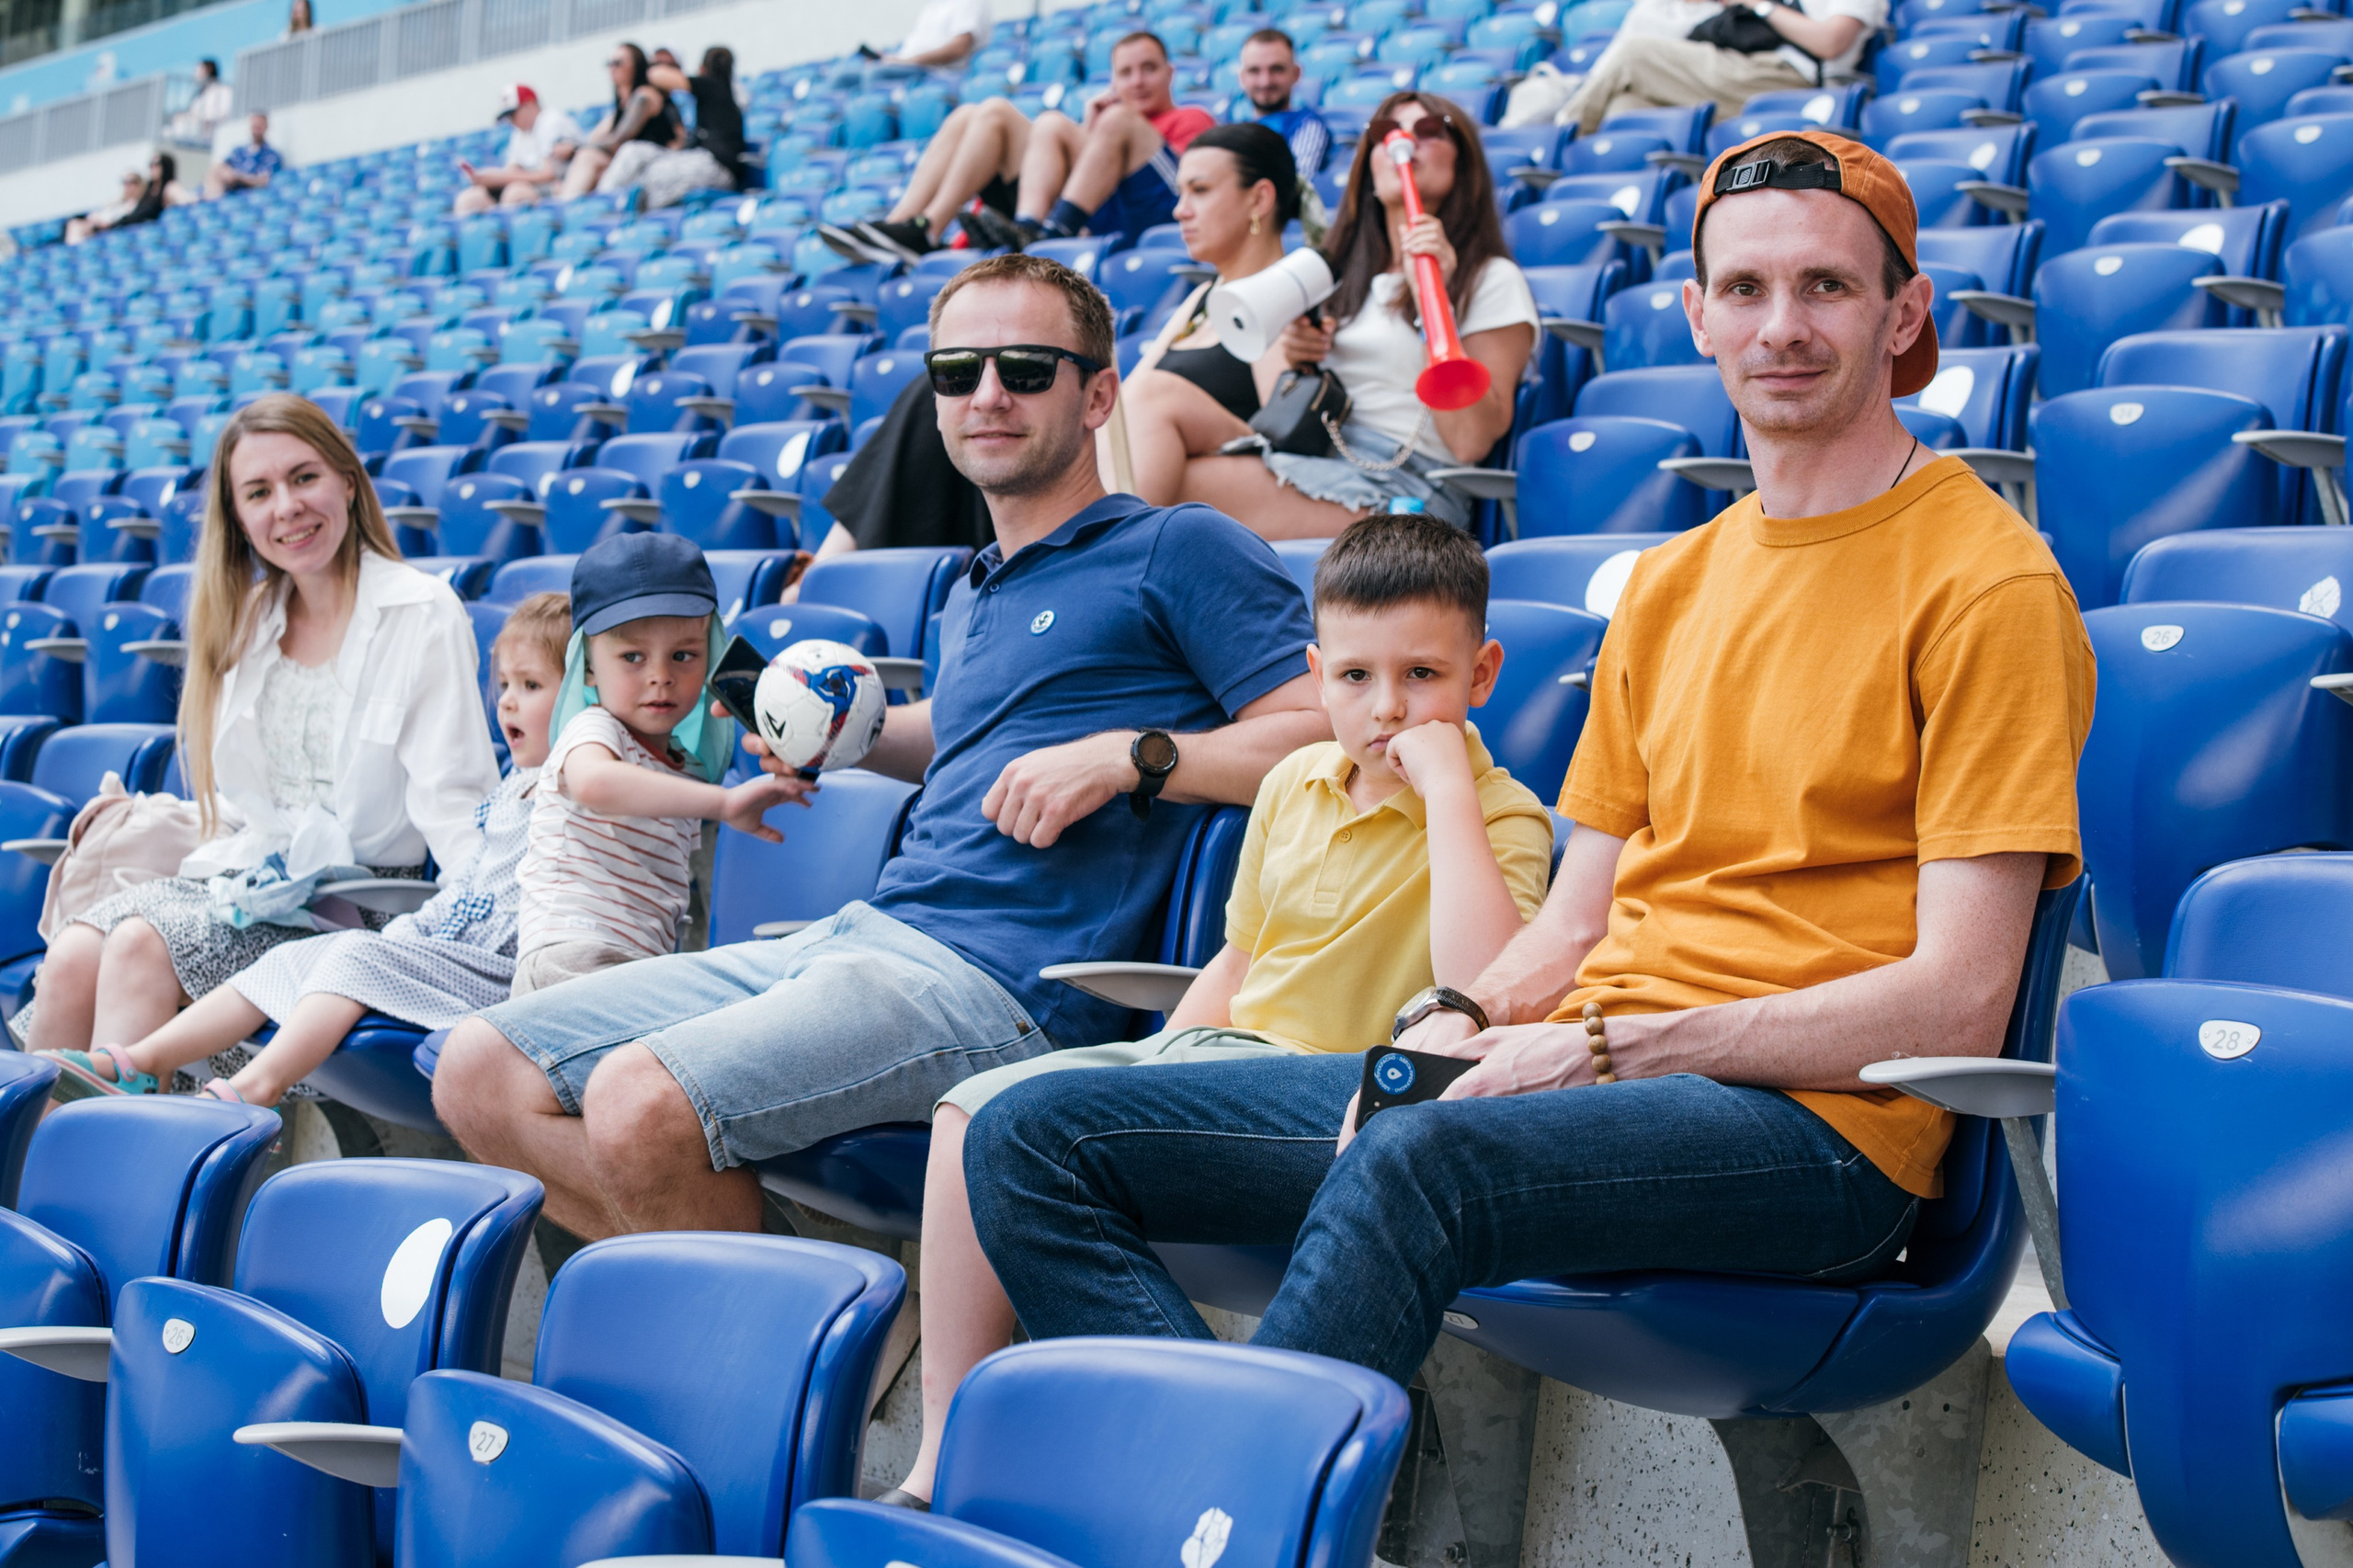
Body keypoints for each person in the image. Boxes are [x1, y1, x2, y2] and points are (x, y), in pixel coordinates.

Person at [962, 130, 2098, 1394]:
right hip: (1593, 1080)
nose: (1782, 325)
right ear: (1698, 317)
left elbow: (1958, 1002)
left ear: (1906, 314)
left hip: (1824, 1133)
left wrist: (1609, 1049)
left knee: (1416, 1158)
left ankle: (1242, 1502)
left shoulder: (1988, 581)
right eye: (1745, 289)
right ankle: (1237, 1472)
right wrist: (1461, 1019)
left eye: (1826, 285)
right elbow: (1575, 920)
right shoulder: (1670, 584)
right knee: (1027, 1134)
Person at [430, 253, 1328, 1244]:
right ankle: (798, 1308)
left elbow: (1331, 732)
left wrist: (1133, 754)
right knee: (479, 1070)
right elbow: (965, 732)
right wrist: (842, 737)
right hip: (866, 934)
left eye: (1027, 368)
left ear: (1099, 394)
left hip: (1002, 982)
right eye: (958, 371)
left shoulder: (1178, 546)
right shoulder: (978, 582)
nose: (988, 393)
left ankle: (790, 1355)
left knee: (640, 1099)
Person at [883, 513, 1553, 1508]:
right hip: (1219, 1054)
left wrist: (1450, 793)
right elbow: (1242, 956)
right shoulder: (1290, 781)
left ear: (1481, 674)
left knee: (1029, 1137)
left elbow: (1484, 985)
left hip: (1327, 1092)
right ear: (1318, 672)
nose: (1387, 710)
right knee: (970, 1110)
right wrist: (1157, 1057)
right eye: (1355, 677)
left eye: (1423, 676)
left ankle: (1195, 1460)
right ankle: (944, 1455)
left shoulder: (1504, 814)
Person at [15, 395, 501, 1082]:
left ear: (348, 482)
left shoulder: (420, 611)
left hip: (359, 905)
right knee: (71, 952)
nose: (287, 508)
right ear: (238, 517)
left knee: (137, 946)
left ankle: (127, 1171)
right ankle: (34, 1175)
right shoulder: (248, 619)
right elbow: (251, 804)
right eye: (259, 492)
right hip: (252, 885)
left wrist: (478, 940)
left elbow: (455, 801)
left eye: (304, 478)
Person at [40, 596, 569, 1107]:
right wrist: (416, 930)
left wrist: (420, 936)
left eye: (531, 685)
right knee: (290, 957)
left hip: (498, 972)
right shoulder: (511, 789)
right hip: (447, 946)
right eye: (502, 685)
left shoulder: (575, 795)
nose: (506, 700)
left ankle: (256, 1088)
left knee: (355, 951)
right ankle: (139, 1061)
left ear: (580, 701)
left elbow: (527, 915)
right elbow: (469, 885)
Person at [1181, 91, 1538, 536]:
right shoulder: (1339, 272)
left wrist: (1435, 297)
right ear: (1368, 164)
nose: (1402, 143)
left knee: (1175, 487)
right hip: (1320, 459)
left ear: (1462, 163)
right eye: (1386, 133)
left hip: (1408, 493)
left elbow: (1469, 441)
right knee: (1161, 401)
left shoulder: (1493, 278)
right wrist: (1299, 354)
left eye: (1428, 131)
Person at [512, 533, 801, 996]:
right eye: (632, 657)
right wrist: (723, 802)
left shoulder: (682, 769)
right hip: (571, 955)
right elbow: (593, 782)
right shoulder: (594, 730)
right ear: (588, 667)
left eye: (684, 655)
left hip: (635, 968)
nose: (661, 676)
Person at [1112, 122, 1298, 504]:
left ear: (1259, 199)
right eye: (1181, 193)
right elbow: (1123, 406)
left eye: (1200, 191)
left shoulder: (1286, 295)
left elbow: (1284, 439)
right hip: (1166, 491)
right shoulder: (1200, 297)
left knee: (1153, 393)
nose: (1180, 211)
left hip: (1242, 488)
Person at [979, 31, 1217, 251]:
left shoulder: (1191, 117)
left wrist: (1115, 125)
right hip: (1114, 217)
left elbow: (1193, 187)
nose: (1137, 82)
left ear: (1169, 74)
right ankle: (1028, 228)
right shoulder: (1109, 126)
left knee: (1119, 118)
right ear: (1113, 84)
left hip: (1166, 214)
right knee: (1050, 122)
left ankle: (1052, 236)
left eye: (1149, 68)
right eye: (1126, 73)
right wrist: (1092, 131)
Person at [1560, 0, 1884, 133]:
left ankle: (1564, 134)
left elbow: (1831, 42)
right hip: (1741, 67)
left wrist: (1759, 5)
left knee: (1635, 54)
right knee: (1625, 106)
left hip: (1789, 75)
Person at [824, 93, 1029, 263]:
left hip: (1037, 217)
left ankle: (927, 228)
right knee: (963, 117)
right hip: (1012, 199)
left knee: (995, 112)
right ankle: (899, 224)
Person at [562, 43, 681, 201]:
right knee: (586, 159)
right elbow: (596, 137)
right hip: (631, 161)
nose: (612, 68)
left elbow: (620, 139)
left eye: (618, 63)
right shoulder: (621, 104)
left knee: (593, 156)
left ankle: (591, 205)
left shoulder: (644, 95)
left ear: (636, 66)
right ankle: (569, 207)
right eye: (609, 63)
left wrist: (575, 149)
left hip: (653, 157)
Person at [631, 46, 746, 210]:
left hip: (718, 168)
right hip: (718, 168)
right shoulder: (728, 95)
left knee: (655, 174)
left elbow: (657, 76)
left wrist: (653, 66)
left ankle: (646, 222)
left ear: (702, 69)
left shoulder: (711, 85)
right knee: (654, 173)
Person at [454, 84, 580, 214]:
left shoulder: (551, 121)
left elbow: (549, 174)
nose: (511, 120)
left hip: (559, 185)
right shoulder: (519, 133)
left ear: (530, 104)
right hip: (533, 185)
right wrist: (492, 178)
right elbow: (513, 169)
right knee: (469, 199)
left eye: (513, 114)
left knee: (515, 193)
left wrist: (502, 179)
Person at [1237, 28, 1332, 178]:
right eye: (1254, 71)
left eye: (1276, 69)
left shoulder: (1306, 125)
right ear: (1242, 78)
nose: (1265, 82)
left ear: (1296, 74)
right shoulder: (1237, 129)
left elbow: (1297, 184)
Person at [880, 0, 993, 67]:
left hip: (935, 70)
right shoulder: (934, 6)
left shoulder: (968, 3)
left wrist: (909, 62)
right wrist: (890, 58)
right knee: (869, 67)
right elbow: (915, 45)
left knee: (874, 73)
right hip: (910, 65)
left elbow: (959, 48)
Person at [205, 112, 283, 199]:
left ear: (266, 127)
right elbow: (222, 167)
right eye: (254, 127)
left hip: (251, 196)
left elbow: (264, 181)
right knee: (216, 168)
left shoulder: (272, 156)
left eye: (259, 127)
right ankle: (212, 200)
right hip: (227, 191)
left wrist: (239, 177)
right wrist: (228, 173)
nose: (256, 131)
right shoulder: (238, 151)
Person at [63, 168, 145, 245]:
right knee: (73, 224)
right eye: (125, 182)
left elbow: (125, 219)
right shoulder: (117, 202)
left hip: (109, 228)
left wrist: (107, 224)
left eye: (132, 182)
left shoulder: (137, 203)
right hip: (96, 223)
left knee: (77, 228)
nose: (128, 186)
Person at [168, 58, 234, 145]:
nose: (195, 74)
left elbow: (225, 113)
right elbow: (193, 113)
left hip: (212, 132)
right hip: (196, 130)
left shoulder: (224, 91)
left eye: (198, 70)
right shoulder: (198, 95)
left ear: (209, 70)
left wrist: (205, 120)